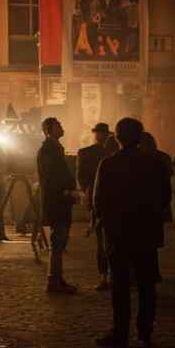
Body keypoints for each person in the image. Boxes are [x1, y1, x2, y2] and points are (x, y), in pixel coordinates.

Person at [93, 117, 172, 346]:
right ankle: (145, 330)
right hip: (146, 231)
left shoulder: (108, 165)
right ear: (140, 137)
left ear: (116, 138)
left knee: (120, 284)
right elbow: (165, 195)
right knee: (146, 283)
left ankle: (120, 332)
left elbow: (99, 201)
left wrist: (107, 221)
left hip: (118, 233)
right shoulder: (155, 163)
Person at [38, 117, 78, 293]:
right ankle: (53, 281)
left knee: (60, 242)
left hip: (59, 201)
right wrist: (66, 191)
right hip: (56, 202)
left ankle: (57, 279)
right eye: (58, 125)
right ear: (49, 129)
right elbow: (51, 178)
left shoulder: (54, 149)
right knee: (58, 241)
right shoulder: (48, 150)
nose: (62, 127)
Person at [77, 122, 113, 291]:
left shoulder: (86, 153)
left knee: (102, 240)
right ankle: (112, 274)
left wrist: (87, 194)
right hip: (112, 201)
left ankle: (104, 275)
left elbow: (82, 178)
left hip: (97, 200)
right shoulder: (113, 153)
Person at [139, 132, 174, 226]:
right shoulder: (164, 157)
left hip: (141, 203)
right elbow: (169, 175)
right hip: (159, 200)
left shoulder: (136, 159)